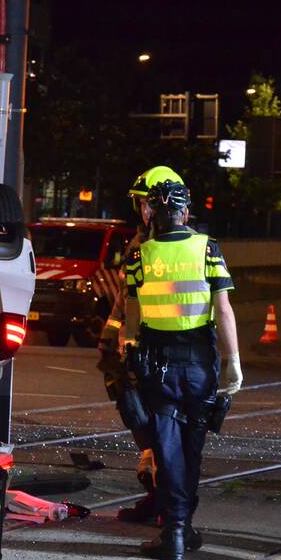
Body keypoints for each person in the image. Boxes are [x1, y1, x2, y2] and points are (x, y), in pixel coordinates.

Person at [123, 180, 242, 560]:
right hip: (200, 364)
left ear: (151, 214)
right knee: (192, 448)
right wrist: (234, 360)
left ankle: (175, 531)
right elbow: (223, 310)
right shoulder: (208, 249)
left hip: (158, 364)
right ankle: (183, 527)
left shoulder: (139, 256)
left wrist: (127, 350)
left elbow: (130, 317)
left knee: (168, 449)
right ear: (186, 212)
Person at [100, 166, 185, 524]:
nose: (140, 211)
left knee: (167, 431)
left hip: (166, 352)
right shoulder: (139, 243)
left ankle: (170, 508)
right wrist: (110, 344)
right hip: (141, 350)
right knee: (141, 421)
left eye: (142, 204)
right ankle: (158, 497)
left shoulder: (171, 247)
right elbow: (124, 301)